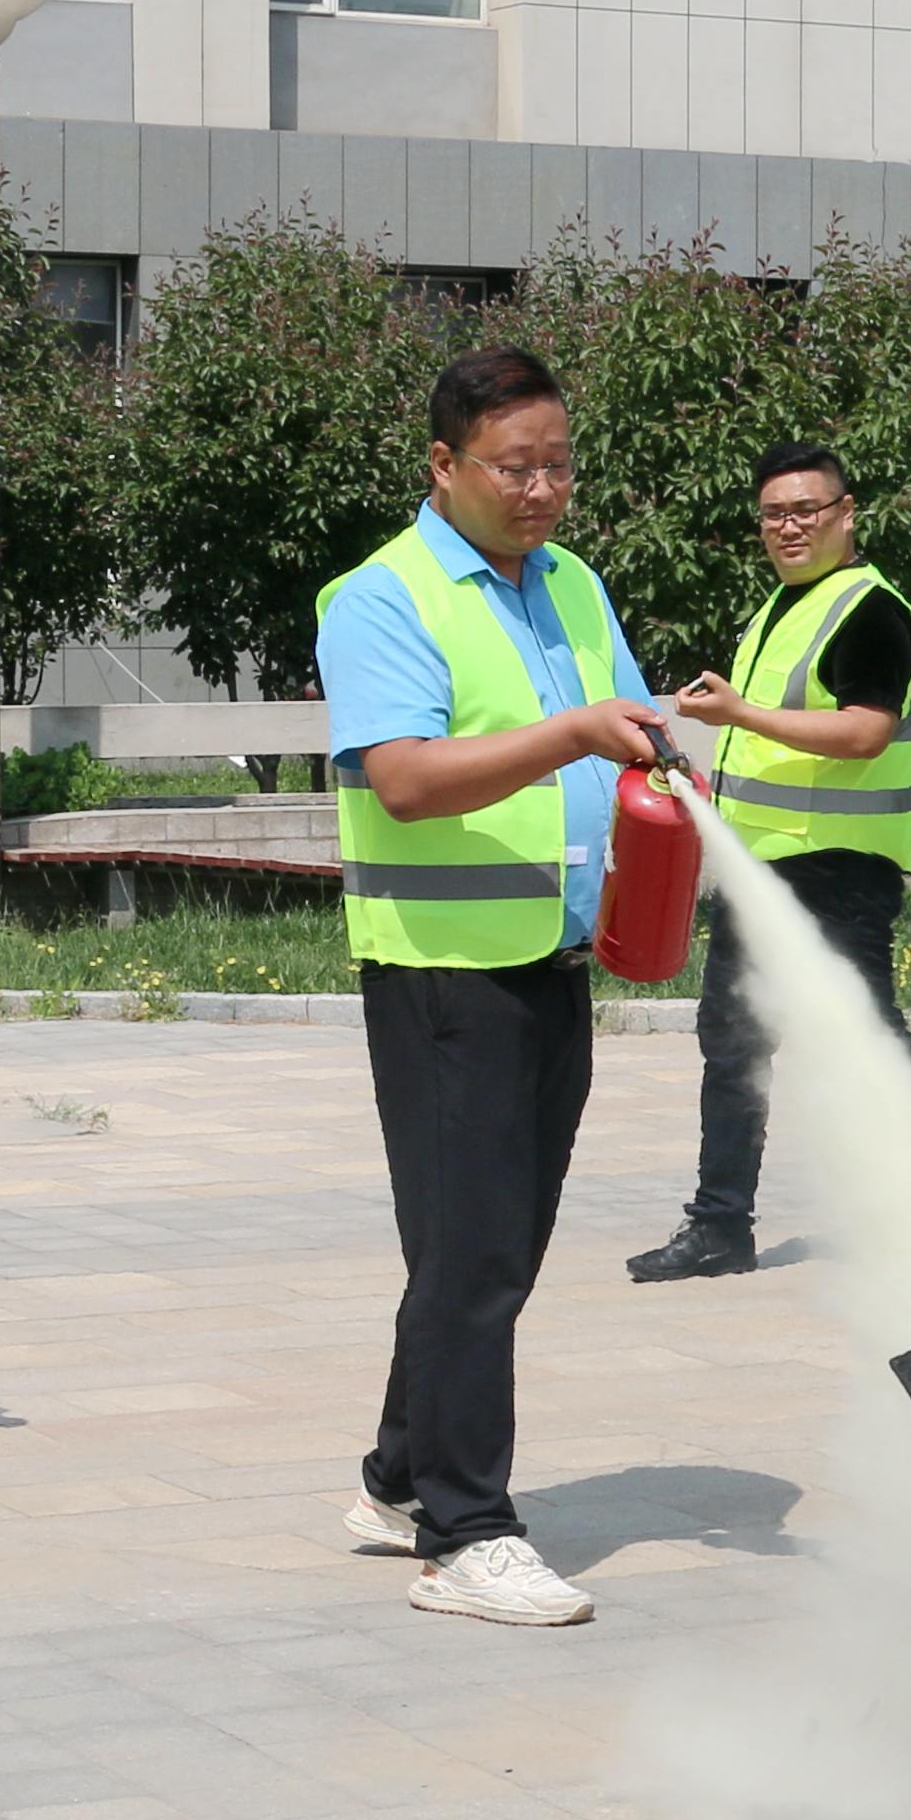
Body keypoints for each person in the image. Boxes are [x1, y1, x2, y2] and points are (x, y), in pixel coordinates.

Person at [323, 342, 665, 1625]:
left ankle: (399, 1477)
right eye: (515, 467)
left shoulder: (572, 583)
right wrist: (573, 734)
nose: (542, 491)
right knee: (469, 1256)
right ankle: (466, 1533)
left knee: (495, 1246)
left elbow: (625, 730)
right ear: (444, 465)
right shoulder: (382, 597)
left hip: (554, 962)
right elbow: (404, 779)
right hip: (443, 975)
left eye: (560, 465)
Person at [630, 443, 911, 1284]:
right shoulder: (781, 607)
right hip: (762, 869)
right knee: (733, 1044)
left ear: (846, 513)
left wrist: (741, 715)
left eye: (805, 511)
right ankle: (721, 1225)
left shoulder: (871, 610)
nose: (789, 527)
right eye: (773, 515)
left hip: (837, 872)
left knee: (863, 1047)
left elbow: (865, 732)